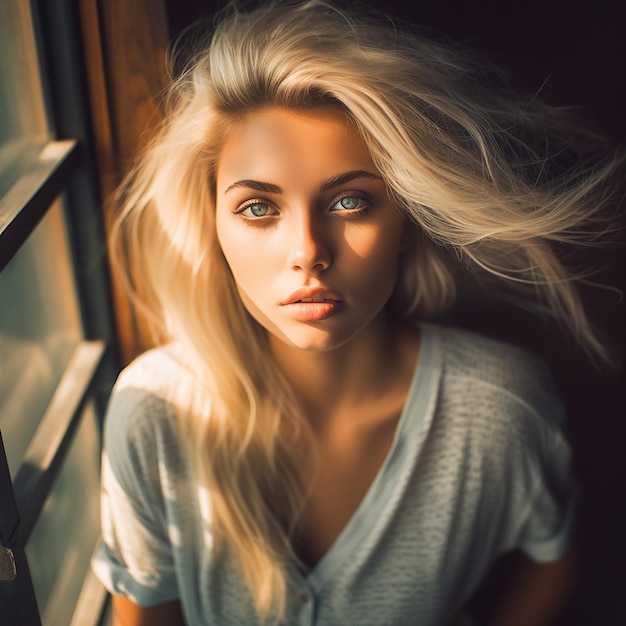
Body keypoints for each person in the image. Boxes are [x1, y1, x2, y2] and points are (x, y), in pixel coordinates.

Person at [92, 1, 624, 624]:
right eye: (259, 208)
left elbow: (557, 557)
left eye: (349, 201)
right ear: (211, 224)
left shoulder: (499, 407)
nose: (308, 254)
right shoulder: (154, 412)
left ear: (405, 217)